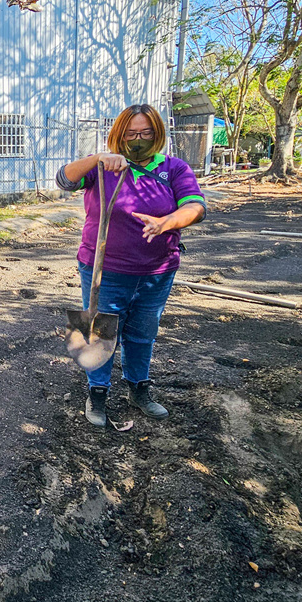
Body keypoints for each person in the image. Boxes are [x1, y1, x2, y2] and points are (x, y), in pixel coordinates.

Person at [56, 104, 206, 426]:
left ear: (157, 134)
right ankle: (97, 394)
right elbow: (64, 180)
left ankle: (139, 389)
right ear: (119, 135)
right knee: (99, 334)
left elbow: (196, 206)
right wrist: (98, 158)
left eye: (146, 133)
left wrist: (167, 222)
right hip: (104, 269)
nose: (138, 139)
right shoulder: (102, 169)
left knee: (143, 333)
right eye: (131, 133)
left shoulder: (174, 168)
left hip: (157, 271)